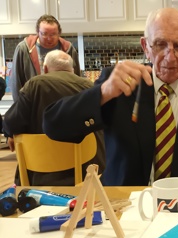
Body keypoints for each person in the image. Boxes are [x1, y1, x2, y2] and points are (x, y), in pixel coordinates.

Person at [43, 8, 178, 186]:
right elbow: (54, 126)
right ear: (146, 46)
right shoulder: (118, 83)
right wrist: (102, 93)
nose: (170, 56)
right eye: (160, 45)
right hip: (123, 205)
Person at [3, 50, 105, 186]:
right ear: (73, 70)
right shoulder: (91, 87)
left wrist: (10, 133)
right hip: (88, 172)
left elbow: (11, 122)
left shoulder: (35, 84)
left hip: (42, 175)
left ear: (45, 69)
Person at [9, 14, 80, 101]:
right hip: (33, 104)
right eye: (44, 34)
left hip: (62, 104)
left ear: (59, 33)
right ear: (37, 32)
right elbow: (16, 81)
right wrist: (20, 107)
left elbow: (76, 80)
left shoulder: (68, 49)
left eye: (53, 34)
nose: (49, 38)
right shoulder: (24, 49)